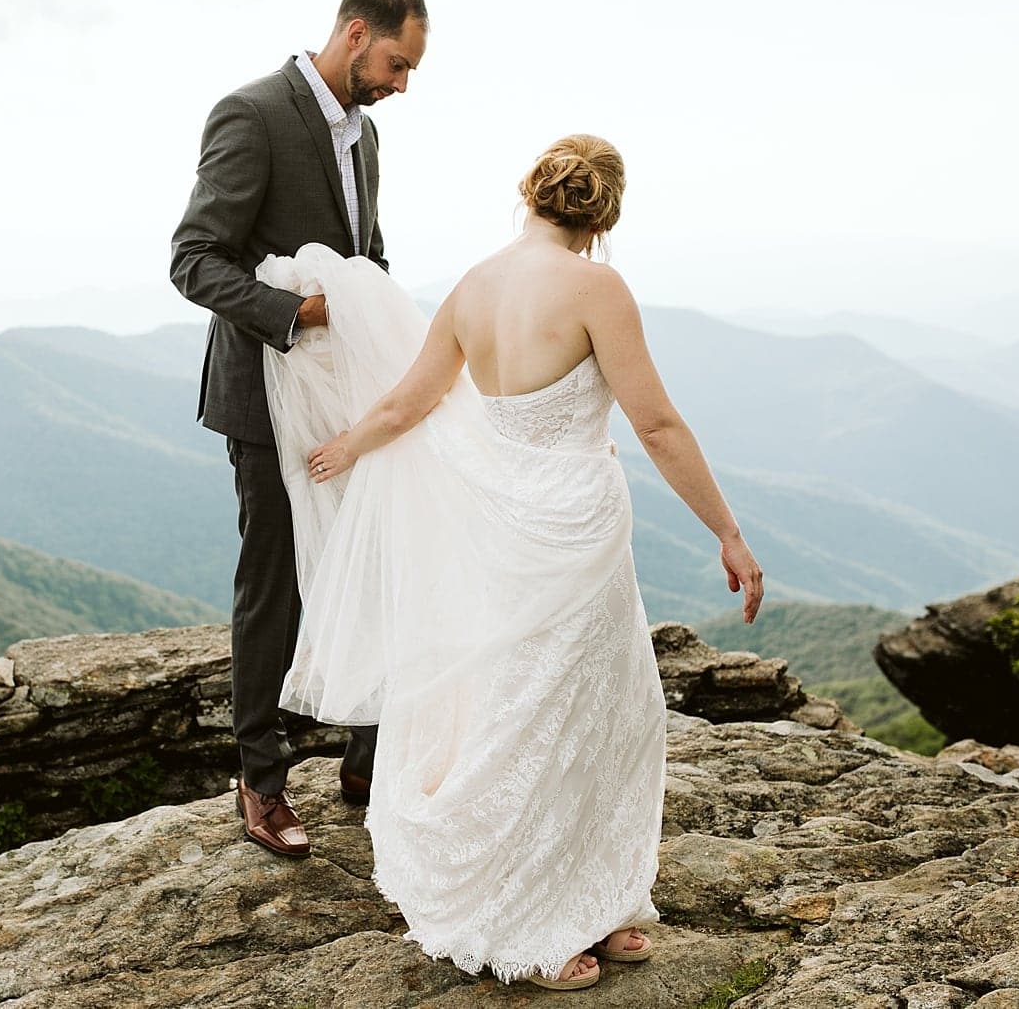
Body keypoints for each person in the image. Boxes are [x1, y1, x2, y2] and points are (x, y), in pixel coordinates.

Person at [268, 135, 764, 990]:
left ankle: (594, 901)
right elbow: (656, 426)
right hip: (570, 523)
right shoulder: (597, 287)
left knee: (572, 708)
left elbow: (410, 402)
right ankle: (527, 922)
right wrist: (728, 532)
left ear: (530, 194)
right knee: (558, 714)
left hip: (503, 522)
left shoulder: (476, 284)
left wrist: (346, 446)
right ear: (605, 215)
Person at [169, 0, 429, 858]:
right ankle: (261, 785)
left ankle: (367, 760)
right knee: (273, 585)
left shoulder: (368, 138)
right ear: (356, 34)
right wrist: (296, 315)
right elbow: (193, 261)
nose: (402, 84)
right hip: (265, 396)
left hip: (349, 400)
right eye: (398, 64)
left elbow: (369, 259)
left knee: (374, 563)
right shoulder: (251, 113)